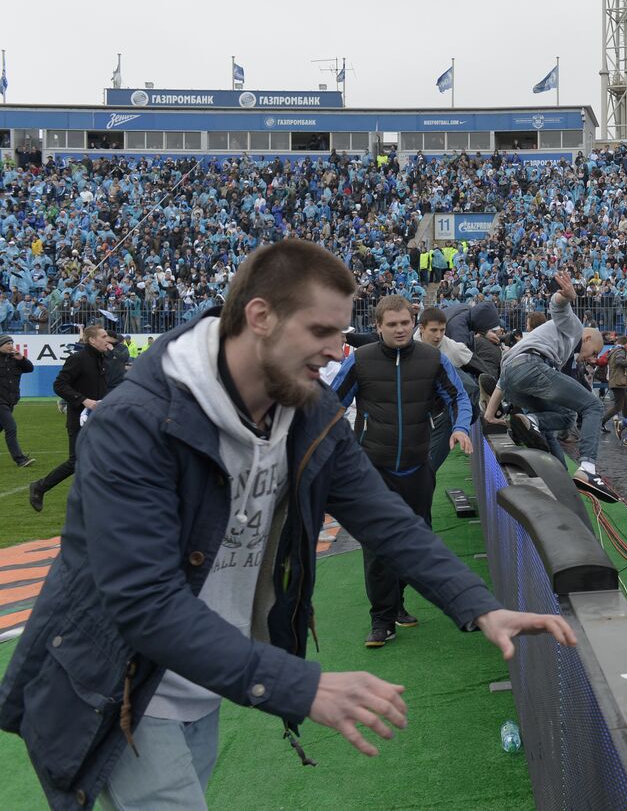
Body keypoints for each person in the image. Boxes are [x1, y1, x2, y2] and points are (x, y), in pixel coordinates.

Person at [0, 239, 574, 810]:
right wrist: (304, 686)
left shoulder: (304, 406)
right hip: (117, 684)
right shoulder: (135, 424)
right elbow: (143, 601)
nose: (337, 350)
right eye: (322, 332)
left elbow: (385, 518)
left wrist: (478, 604)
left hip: (202, 682)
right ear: (260, 317)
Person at [332, 295, 475, 646]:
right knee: (377, 545)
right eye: (391, 324)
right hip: (372, 468)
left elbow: (459, 398)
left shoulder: (431, 359)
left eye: (405, 323)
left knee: (415, 540)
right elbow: (331, 404)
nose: (399, 330)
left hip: (416, 466)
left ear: (413, 324)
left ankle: (398, 602)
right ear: (378, 327)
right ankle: (382, 620)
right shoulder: (361, 361)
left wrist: (460, 428)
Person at [498, 271, 617, 500]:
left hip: (511, 379)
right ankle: (588, 469)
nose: (591, 359)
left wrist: (492, 413)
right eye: (592, 353)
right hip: (530, 366)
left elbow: (503, 381)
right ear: (588, 339)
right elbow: (558, 306)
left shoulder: (551, 344)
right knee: (593, 405)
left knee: (566, 415)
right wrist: (568, 296)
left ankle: (532, 421)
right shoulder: (575, 330)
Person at [29, 324, 113, 513]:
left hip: (98, 419)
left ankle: (97, 501)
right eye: (104, 336)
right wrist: (83, 400)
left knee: (102, 459)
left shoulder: (102, 359)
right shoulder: (78, 359)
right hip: (79, 419)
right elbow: (59, 385)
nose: (107, 340)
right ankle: (40, 487)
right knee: (76, 461)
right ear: (92, 340)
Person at [416, 305, 475, 473]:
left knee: (426, 470)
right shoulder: (407, 346)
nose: (438, 336)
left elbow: (461, 395)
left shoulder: (451, 348)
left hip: (444, 413)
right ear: (421, 329)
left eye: (442, 330)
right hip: (419, 415)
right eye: (433, 330)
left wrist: (461, 427)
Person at [0, 335, 36, 468]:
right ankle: (20, 459)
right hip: (0, 402)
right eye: (7, 343)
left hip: (10, 401)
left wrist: (22, 359)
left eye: (11, 343)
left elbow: (30, 368)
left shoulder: (16, 359)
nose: (10, 345)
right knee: (11, 428)